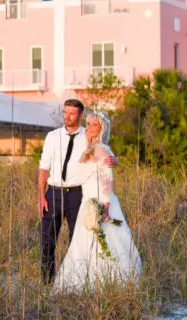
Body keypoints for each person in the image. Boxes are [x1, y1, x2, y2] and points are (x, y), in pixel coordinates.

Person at [52, 111, 141, 292]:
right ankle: (82, 283)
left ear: (102, 128)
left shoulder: (100, 149)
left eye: (95, 125)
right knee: (82, 244)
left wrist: (105, 207)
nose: (90, 128)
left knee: (105, 243)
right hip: (86, 200)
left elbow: (107, 179)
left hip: (100, 201)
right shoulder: (87, 147)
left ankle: (107, 284)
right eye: (89, 123)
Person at [38, 99, 117, 284]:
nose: (67, 116)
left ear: (80, 115)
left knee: (78, 241)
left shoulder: (88, 135)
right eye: (65, 112)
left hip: (77, 195)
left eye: (72, 113)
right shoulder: (52, 136)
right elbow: (43, 168)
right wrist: (41, 196)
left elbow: (105, 152)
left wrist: (115, 159)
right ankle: (47, 283)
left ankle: (77, 281)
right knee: (46, 242)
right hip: (53, 193)